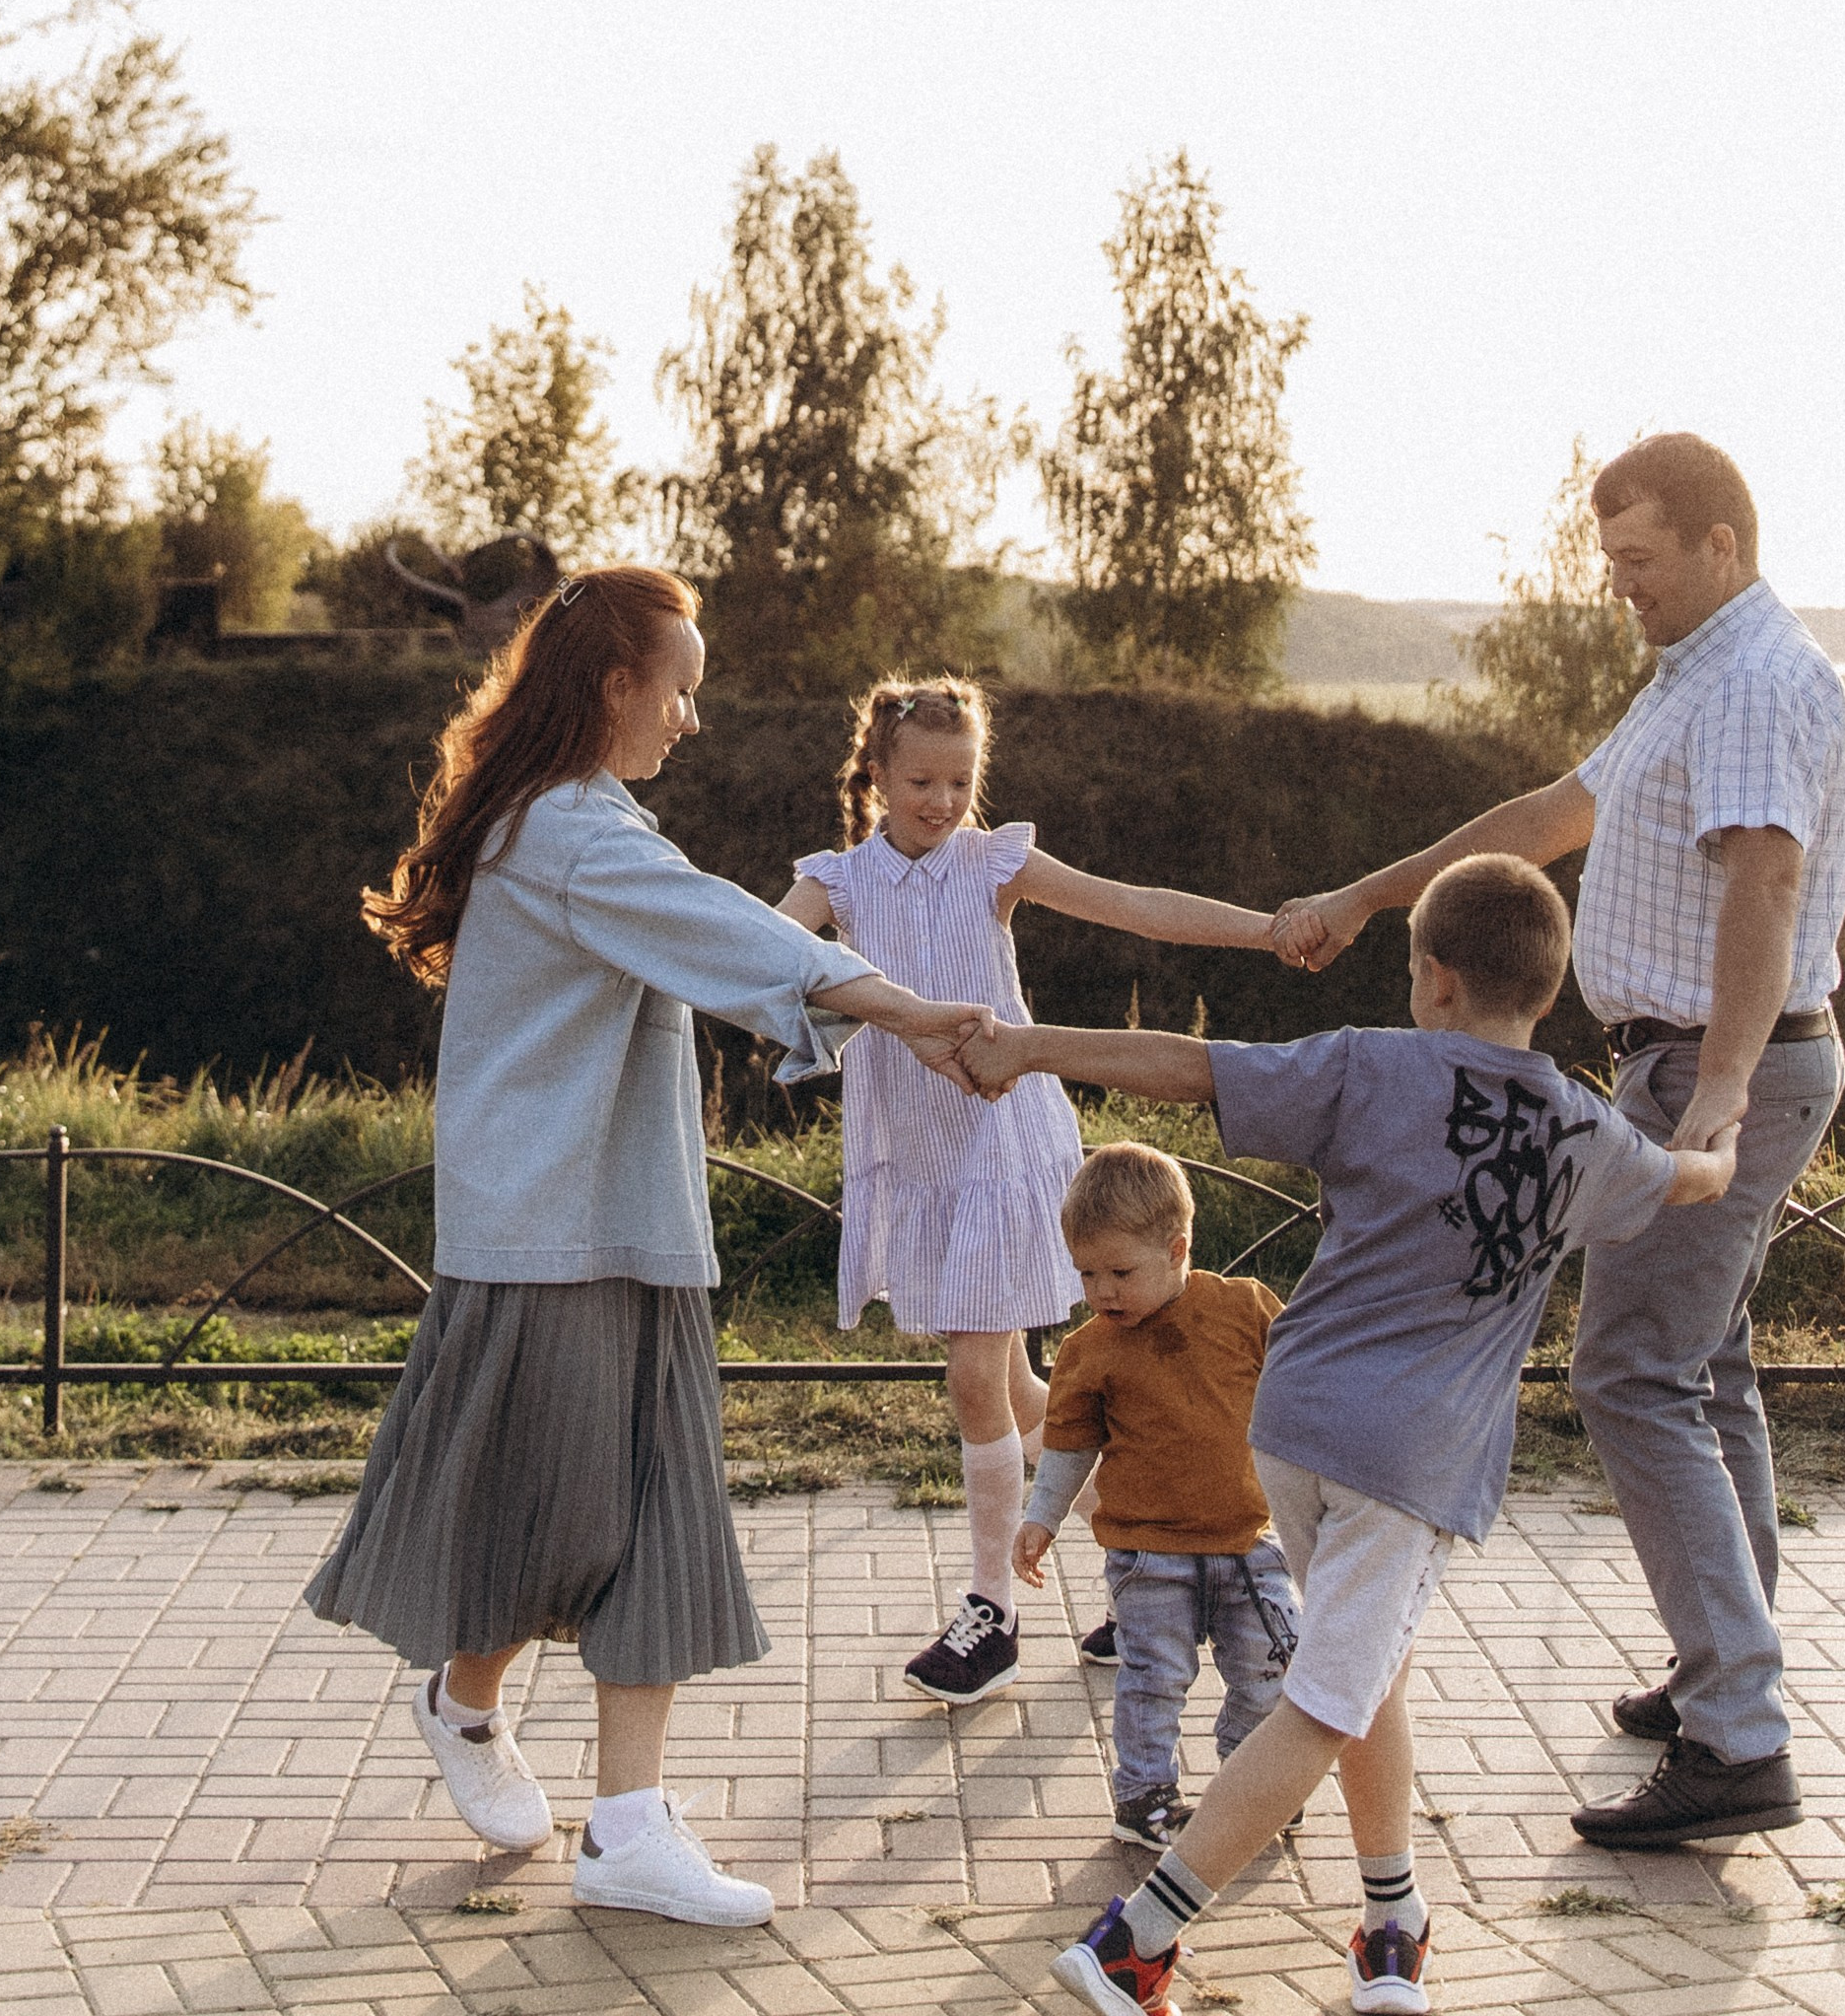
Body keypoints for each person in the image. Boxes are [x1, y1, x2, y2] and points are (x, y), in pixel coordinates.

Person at [308, 567, 993, 1930]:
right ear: (616, 685)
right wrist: (916, 1015)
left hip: (630, 1222)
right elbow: (732, 936)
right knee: (562, 1515)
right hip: (547, 1228)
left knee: (654, 1514)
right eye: (678, 688)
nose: (691, 716)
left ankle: (624, 1825)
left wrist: (897, 1015)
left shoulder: (584, 821)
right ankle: (470, 1697)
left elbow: (721, 943)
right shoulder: (568, 830)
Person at [959, 856, 1738, 2016]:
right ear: (1549, 988)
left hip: (1299, 1426)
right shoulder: (1588, 1134)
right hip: (1412, 1460)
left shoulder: (1371, 1065)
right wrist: (1724, 1131)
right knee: (1326, 1698)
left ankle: (1390, 1919)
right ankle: (1139, 1940)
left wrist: (1029, 1046)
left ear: (1432, 978)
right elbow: (1689, 1180)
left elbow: (1189, 1066)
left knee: (1368, 1673)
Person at [1269, 432, 1845, 1849]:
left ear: (1721, 545)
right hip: (1707, 1064)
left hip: (1723, 1070)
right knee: (1698, 1363)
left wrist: (1715, 1090)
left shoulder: (1757, 684)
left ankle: (1741, 1730)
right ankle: (1726, 1664)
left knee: (1632, 1374)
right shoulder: (1693, 677)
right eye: (1612, 566)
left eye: (1641, 563)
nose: (1622, 589)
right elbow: (1547, 820)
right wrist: (1367, 895)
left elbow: (1765, 881)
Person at [778, 674, 1287, 1701]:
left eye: (960, 779)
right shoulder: (835, 882)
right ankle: (1152, 1566)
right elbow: (753, 957)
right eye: (920, 779)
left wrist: (1267, 931)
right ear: (875, 772)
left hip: (1006, 1146)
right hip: (923, 1158)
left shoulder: (994, 862)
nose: (941, 799)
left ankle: (992, 1615)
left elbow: (1134, 907)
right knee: (1018, 1393)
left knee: (976, 1375)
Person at [1015, 1140, 1300, 1854]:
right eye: (1086, 1273)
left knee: (1272, 1669)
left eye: (1119, 1271)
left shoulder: (1244, 1310)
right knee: (1153, 1680)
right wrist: (1041, 1516)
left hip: (1249, 1545)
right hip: (1147, 1557)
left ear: (1175, 1250)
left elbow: (1307, 1382)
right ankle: (1144, 1794)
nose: (1103, 1291)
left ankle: (1252, 1779)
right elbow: (1070, 1445)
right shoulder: (1090, 1349)